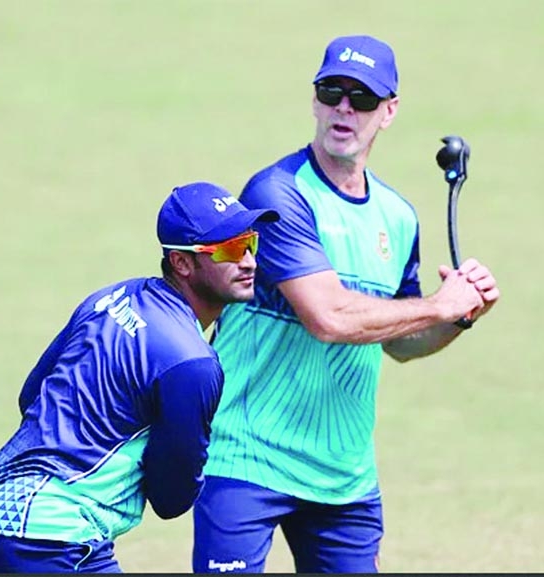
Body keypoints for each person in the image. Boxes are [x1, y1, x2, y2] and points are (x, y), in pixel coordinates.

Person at [192, 35, 501, 573]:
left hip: (343, 478)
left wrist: (460, 317)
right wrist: (438, 304)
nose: (344, 109)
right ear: (314, 100)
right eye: (332, 92)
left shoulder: (398, 217)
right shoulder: (276, 194)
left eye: (362, 99)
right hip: (248, 459)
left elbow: (402, 344)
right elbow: (329, 317)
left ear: (388, 112)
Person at [0, 182, 279, 573]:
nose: (248, 261)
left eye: (249, 243)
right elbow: (172, 498)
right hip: (50, 535)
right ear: (182, 263)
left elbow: (31, 397)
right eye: (228, 249)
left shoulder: (110, 298)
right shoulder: (193, 363)